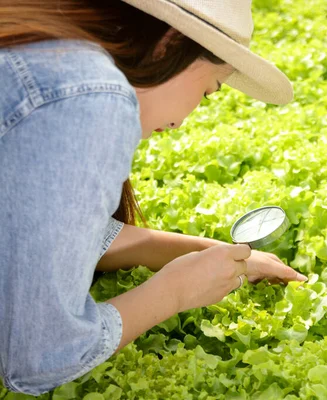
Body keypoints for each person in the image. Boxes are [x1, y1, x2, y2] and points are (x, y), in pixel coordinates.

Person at [0, 0, 307, 395]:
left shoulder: (45, 50)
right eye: (208, 91)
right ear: (169, 42)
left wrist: (217, 256)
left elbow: (44, 226)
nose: (185, 120)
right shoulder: (92, 95)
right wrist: (175, 291)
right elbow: (38, 356)